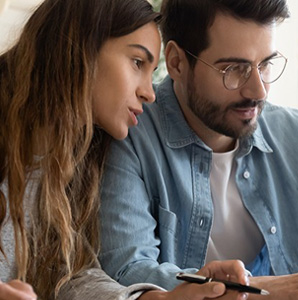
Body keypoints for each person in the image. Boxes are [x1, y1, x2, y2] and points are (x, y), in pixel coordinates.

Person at [0, 0, 251, 299]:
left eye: (151, 71)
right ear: (82, 47)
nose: (149, 92)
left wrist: (156, 298)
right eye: (137, 62)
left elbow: (70, 276)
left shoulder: (76, 163)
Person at [99, 0, 298, 298]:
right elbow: (128, 270)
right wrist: (264, 291)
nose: (258, 91)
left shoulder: (293, 133)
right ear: (178, 62)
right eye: (234, 69)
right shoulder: (128, 137)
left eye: (266, 64)